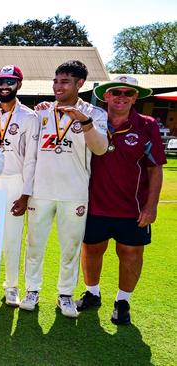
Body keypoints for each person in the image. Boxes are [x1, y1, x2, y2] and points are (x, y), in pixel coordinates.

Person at [19, 60, 108, 318]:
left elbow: (101, 149)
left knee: (70, 247)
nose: (58, 86)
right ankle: (32, 290)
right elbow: (31, 155)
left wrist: (86, 122)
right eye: (56, 81)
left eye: (65, 81)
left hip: (74, 193)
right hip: (41, 191)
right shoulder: (42, 113)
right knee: (34, 244)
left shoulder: (95, 114)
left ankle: (65, 294)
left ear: (80, 84)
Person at [76, 76, 166, 325]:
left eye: (128, 93)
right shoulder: (92, 120)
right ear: (106, 95)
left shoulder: (146, 124)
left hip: (132, 207)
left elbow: (155, 168)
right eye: (116, 92)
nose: (122, 97)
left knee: (130, 252)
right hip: (94, 203)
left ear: (135, 97)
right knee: (92, 249)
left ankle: (123, 301)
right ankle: (92, 293)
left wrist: (151, 206)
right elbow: (64, 103)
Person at [0, 65, 39, 307]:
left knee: (12, 238)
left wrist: (25, 194)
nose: (5, 86)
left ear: (19, 85)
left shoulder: (29, 117)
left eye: (10, 82)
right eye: (1, 82)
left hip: (15, 182)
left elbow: (32, 157)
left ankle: (11, 286)